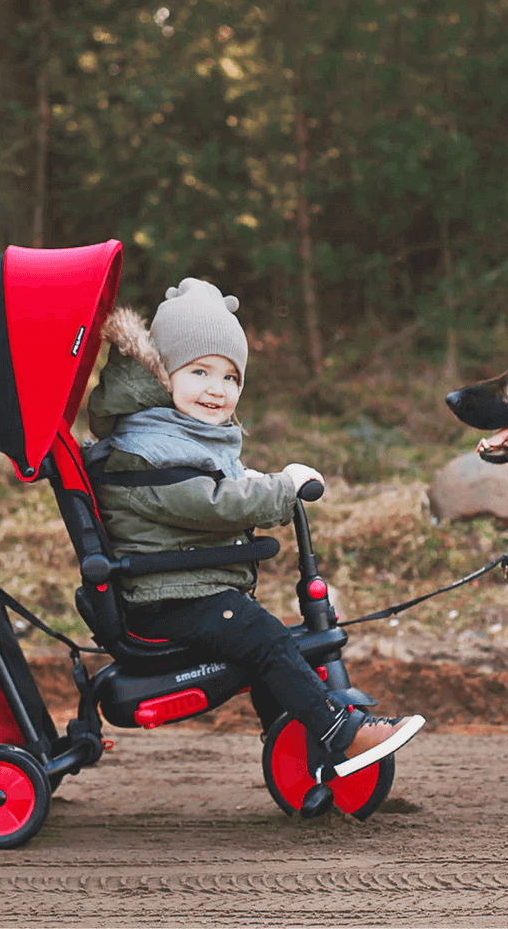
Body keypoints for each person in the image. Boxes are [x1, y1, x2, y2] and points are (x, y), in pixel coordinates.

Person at [83, 278, 424, 815]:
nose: (217, 389)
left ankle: (298, 745)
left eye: (230, 377)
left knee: (267, 641)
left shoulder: (173, 433)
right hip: (165, 600)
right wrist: (282, 488)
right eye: (199, 372)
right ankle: (337, 733)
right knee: (263, 638)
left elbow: (221, 486)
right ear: (161, 373)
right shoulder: (145, 449)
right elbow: (212, 502)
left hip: (186, 590)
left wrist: (274, 485)